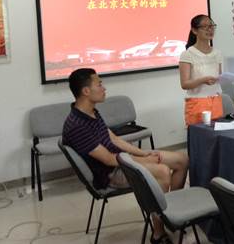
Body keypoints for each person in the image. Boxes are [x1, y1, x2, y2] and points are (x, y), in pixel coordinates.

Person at [63, 68, 188, 244]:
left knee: (182, 160)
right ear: (86, 91)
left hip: (121, 160)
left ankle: (170, 215)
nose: (104, 88)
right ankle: (158, 233)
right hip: (109, 173)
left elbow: (113, 138)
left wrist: (143, 153)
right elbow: (108, 159)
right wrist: (141, 160)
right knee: (162, 171)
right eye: (99, 84)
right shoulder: (77, 126)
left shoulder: (91, 111)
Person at [179, 14, 222, 126]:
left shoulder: (217, 53)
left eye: (212, 26)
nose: (210, 29)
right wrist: (203, 80)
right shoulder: (188, 54)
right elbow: (184, 84)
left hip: (216, 101)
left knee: (218, 134)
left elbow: (219, 77)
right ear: (194, 30)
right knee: (199, 135)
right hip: (197, 103)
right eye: (205, 26)